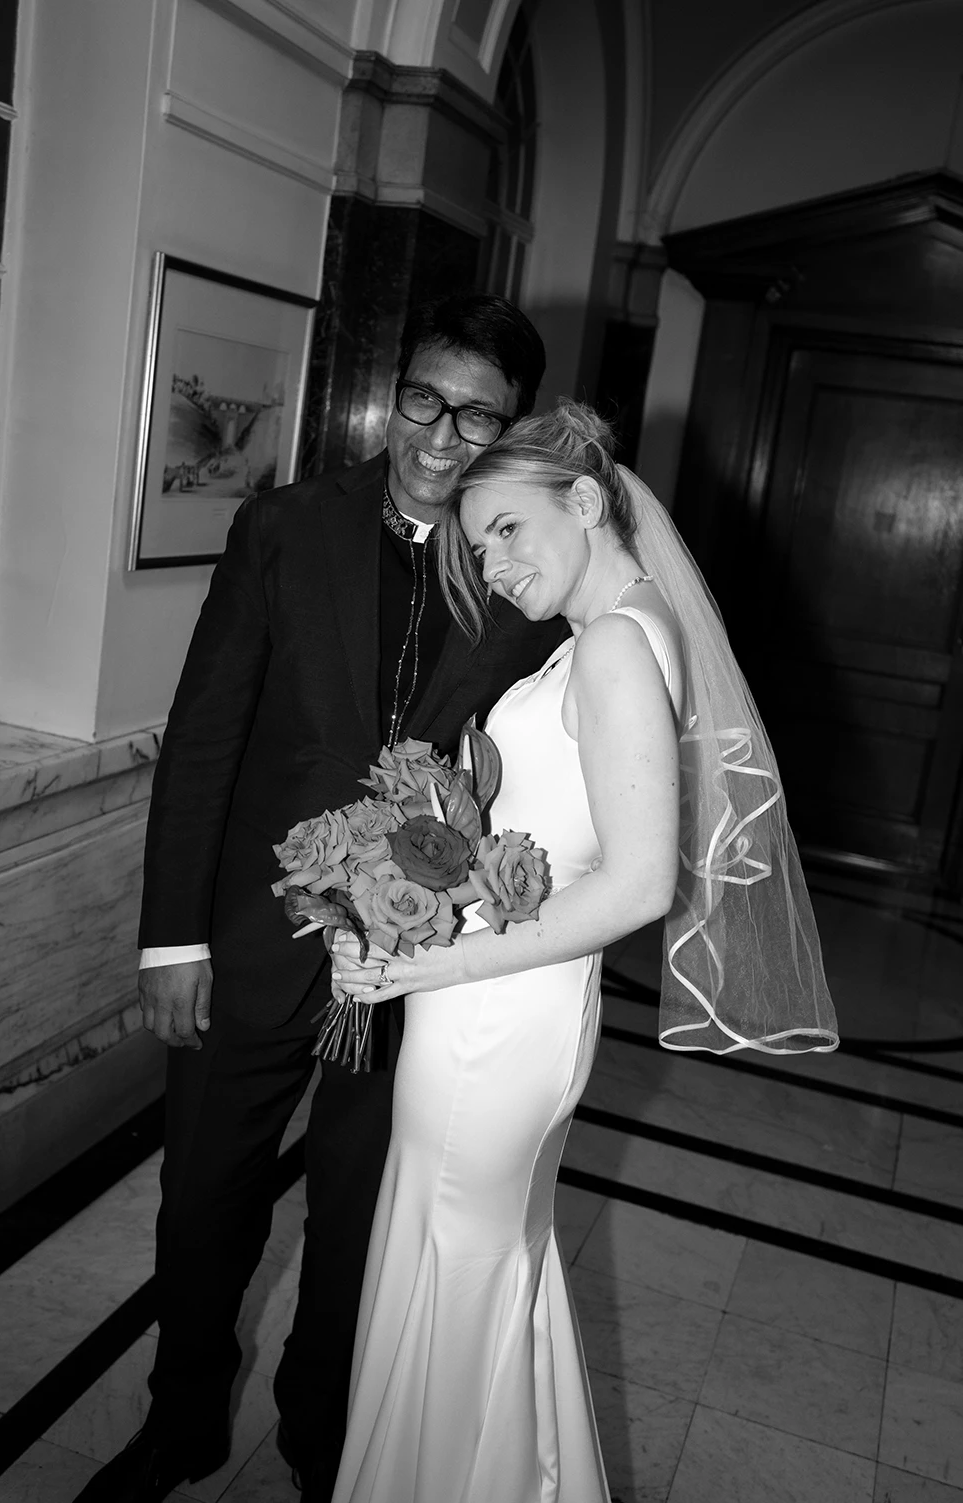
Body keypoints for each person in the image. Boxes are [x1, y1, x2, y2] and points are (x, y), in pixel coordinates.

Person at [74, 295, 568, 1503]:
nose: (439, 438)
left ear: (512, 429)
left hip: (415, 970)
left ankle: (320, 1438)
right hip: (248, 941)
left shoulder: (519, 565)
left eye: (476, 416)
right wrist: (171, 940)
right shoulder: (285, 527)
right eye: (423, 399)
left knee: (358, 1223)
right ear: (389, 390)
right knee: (201, 1203)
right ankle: (180, 1422)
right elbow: (203, 741)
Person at [328, 400, 839, 1502]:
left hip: (495, 1023)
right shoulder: (622, 629)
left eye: (508, 529)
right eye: (478, 547)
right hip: (501, 1008)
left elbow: (641, 883)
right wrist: (398, 896)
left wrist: (435, 962)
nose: (494, 565)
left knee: (460, 1275)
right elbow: (548, 841)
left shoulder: (611, 645)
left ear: (587, 501)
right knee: (474, 1269)